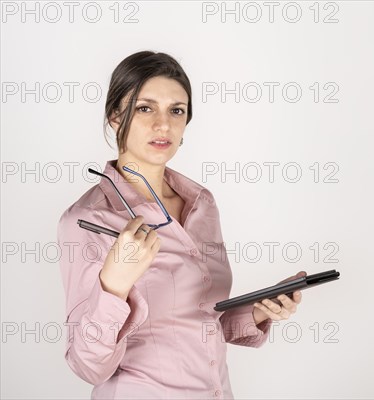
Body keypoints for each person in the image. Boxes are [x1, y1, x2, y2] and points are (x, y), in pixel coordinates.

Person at [56, 51, 305, 399]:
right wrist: (115, 285)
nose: (164, 125)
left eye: (177, 110)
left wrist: (258, 310)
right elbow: (87, 365)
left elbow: (202, 319)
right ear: (115, 115)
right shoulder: (89, 220)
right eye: (145, 108)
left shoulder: (201, 203)